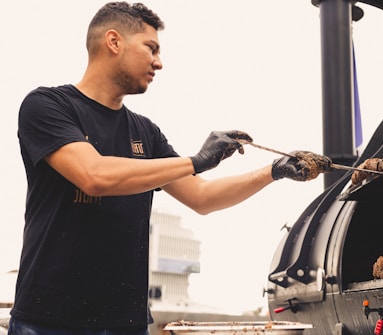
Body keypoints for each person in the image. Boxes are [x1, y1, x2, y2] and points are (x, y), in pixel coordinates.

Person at [9, 2, 332, 335]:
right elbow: (94, 176)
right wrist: (197, 160)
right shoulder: (47, 106)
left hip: (126, 323)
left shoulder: (146, 132)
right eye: (151, 48)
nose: (159, 62)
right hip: (47, 321)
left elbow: (202, 196)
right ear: (114, 41)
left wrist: (274, 170)